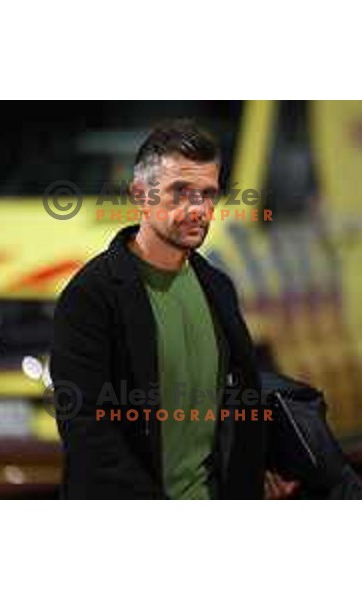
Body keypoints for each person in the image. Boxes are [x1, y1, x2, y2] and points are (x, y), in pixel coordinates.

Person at [50, 119, 298, 499]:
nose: (198, 209)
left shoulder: (217, 287)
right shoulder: (92, 296)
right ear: (140, 196)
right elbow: (86, 428)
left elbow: (238, 403)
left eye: (208, 194)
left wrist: (252, 471)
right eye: (180, 192)